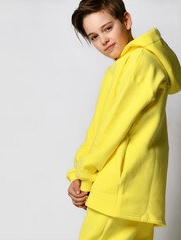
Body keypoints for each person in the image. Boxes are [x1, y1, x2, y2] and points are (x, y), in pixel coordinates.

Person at [66, 0, 181, 239]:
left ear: (126, 21)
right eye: (94, 36)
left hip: (118, 191)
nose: (104, 40)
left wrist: (84, 178)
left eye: (108, 28)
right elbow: (97, 129)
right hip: (133, 194)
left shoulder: (139, 61)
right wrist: (77, 175)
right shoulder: (119, 68)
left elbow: (112, 130)